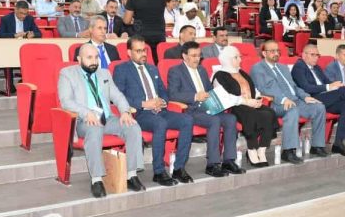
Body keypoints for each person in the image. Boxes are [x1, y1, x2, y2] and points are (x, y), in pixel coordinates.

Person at [58, 44, 146, 198]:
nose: (94, 61)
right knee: (95, 129)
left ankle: (131, 175)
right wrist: (87, 113)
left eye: (96, 57)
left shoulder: (104, 73)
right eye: (89, 57)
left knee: (133, 126)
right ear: (79, 59)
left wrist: (125, 112)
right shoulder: (67, 74)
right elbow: (66, 101)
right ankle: (97, 180)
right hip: (84, 121)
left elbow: (117, 96)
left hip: (107, 118)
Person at [114, 36, 194, 186]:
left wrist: (161, 102)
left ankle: (179, 168)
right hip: (139, 113)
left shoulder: (152, 68)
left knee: (187, 120)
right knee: (160, 123)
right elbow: (118, 96)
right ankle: (158, 171)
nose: (143, 54)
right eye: (138, 51)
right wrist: (144, 103)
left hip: (160, 110)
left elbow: (163, 91)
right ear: (129, 53)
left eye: (144, 50)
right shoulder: (122, 69)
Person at [168, 41, 242, 177]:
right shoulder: (175, 71)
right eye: (194, 56)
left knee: (231, 119)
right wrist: (195, 96)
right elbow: (173, 94)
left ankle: (228, 160)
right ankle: (212, 164)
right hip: (191, 110)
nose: (197, 59)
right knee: (214, 121)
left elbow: (209, 90)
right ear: (184, 56)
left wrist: (220, 98)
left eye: (199, 56)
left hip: (208, 107)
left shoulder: (202, 70)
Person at [250, 40, 328, 163]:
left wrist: (305, 96)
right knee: (292, 109)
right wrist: (283, 99)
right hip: (275, 103)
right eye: (272, 51)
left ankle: (317, 146)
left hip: (295, 100)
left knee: (319, 107)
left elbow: (294, 86)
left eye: (277, 51)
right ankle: (288, 151)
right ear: (264, 53)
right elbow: (266, 88)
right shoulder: (258, 68)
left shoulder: (283, 67)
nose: (276, 53)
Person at [212, 46, 276, 166]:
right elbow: (224, 97)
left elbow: (253, 89)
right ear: (228, 59)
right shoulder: (219, 76)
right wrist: (245, 102)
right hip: (234, 107)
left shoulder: (241, 72)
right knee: (251, 114)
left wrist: (258, 99)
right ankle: (252, 149)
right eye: (236, 57)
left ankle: (261, 150)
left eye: (239, 57)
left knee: (269, 113)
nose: (240, 60)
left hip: (250, 103)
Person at [123, 0, 173, 64]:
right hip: (159, 34)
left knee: (143, 63)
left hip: (142, 36)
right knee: (159, 63)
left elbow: (126, 20)